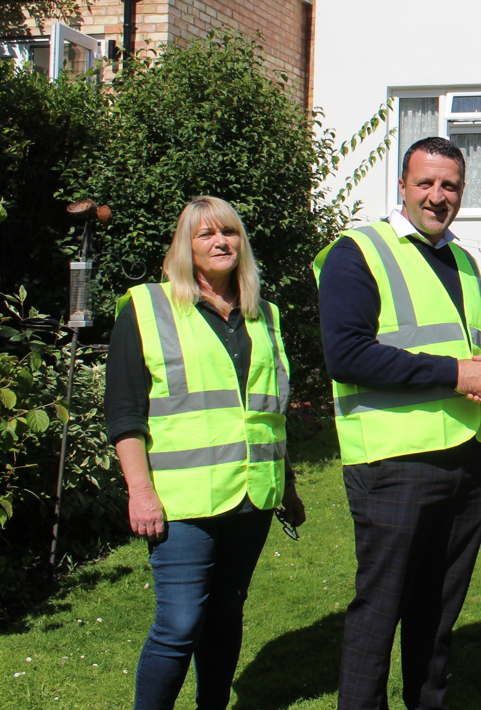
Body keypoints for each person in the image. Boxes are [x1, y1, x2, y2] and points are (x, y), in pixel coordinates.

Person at [313, 135, 481, 710]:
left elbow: (478, 366)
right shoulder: (357, 251)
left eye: (450, 185)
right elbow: (346, 354)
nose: (437, 195)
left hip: (464, 462)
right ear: (401, 185)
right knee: (380, 611)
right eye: (425, 182)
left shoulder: (463, 261)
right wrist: (451, 374)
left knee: (438, 613)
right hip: (394, 464)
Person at [105, 195, 305, 710]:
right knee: (179, 624)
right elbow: (125, 413)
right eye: (206, 234)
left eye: (230, 233)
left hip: (252, 497)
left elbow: (269, 412)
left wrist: (290, 485)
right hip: (182, 501)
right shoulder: (147, 308)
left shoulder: (267, 316)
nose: (220, 242)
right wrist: (140, 492)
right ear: (185, 246)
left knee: (225, 615)